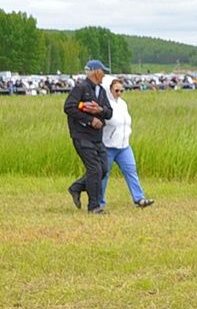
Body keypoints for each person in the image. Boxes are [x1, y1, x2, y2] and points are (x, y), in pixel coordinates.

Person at [64, 60, 114, 213]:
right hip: (82, 135)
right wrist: (90, 120)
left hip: (97, 137)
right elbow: (69, 107)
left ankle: (76, 187)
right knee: (94, 169)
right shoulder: (80, 88)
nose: (104, 74)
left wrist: (99, 110)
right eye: (102, 71)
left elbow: (109, 112)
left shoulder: (102, 91)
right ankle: (94, 206)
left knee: (103, 169)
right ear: (95, 71)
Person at [101, 78, 154, 208]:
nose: (119, 93)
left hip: (124, 145)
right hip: (108, 146)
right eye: (116, 90)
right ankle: (98, 202)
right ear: (110, 90)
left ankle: (139, 198)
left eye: (121, 90)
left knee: (131, 170)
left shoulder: (123, 104)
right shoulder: (105, 104)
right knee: (103, 174)